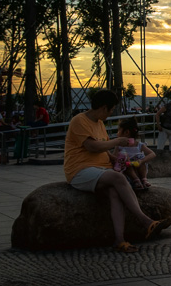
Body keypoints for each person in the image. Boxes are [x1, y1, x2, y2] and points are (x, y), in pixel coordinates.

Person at [63, 89, 164, 253]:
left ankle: (119, 239)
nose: (110, 114)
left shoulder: (100, 124)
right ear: (103, 108)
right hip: (80, 170)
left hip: (100, 169)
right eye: (110, 110)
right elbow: (92, 146)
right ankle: (144, 220)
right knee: (117, 178)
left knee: (115, 192)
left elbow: (104, 149)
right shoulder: (79, 121)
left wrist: (114, 159)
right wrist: (117, 141)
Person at [112, 117, 156, 190]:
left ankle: (144, 179)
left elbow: (152, 154)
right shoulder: (119, 146)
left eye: (119, 130)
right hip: (127, 168)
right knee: (126, 162)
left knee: (142, 161)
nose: (117, 133)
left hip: (138, 167)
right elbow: (114, 157)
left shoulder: (139, 145)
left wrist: (142, 161)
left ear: (126, 132)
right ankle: (136, 180)